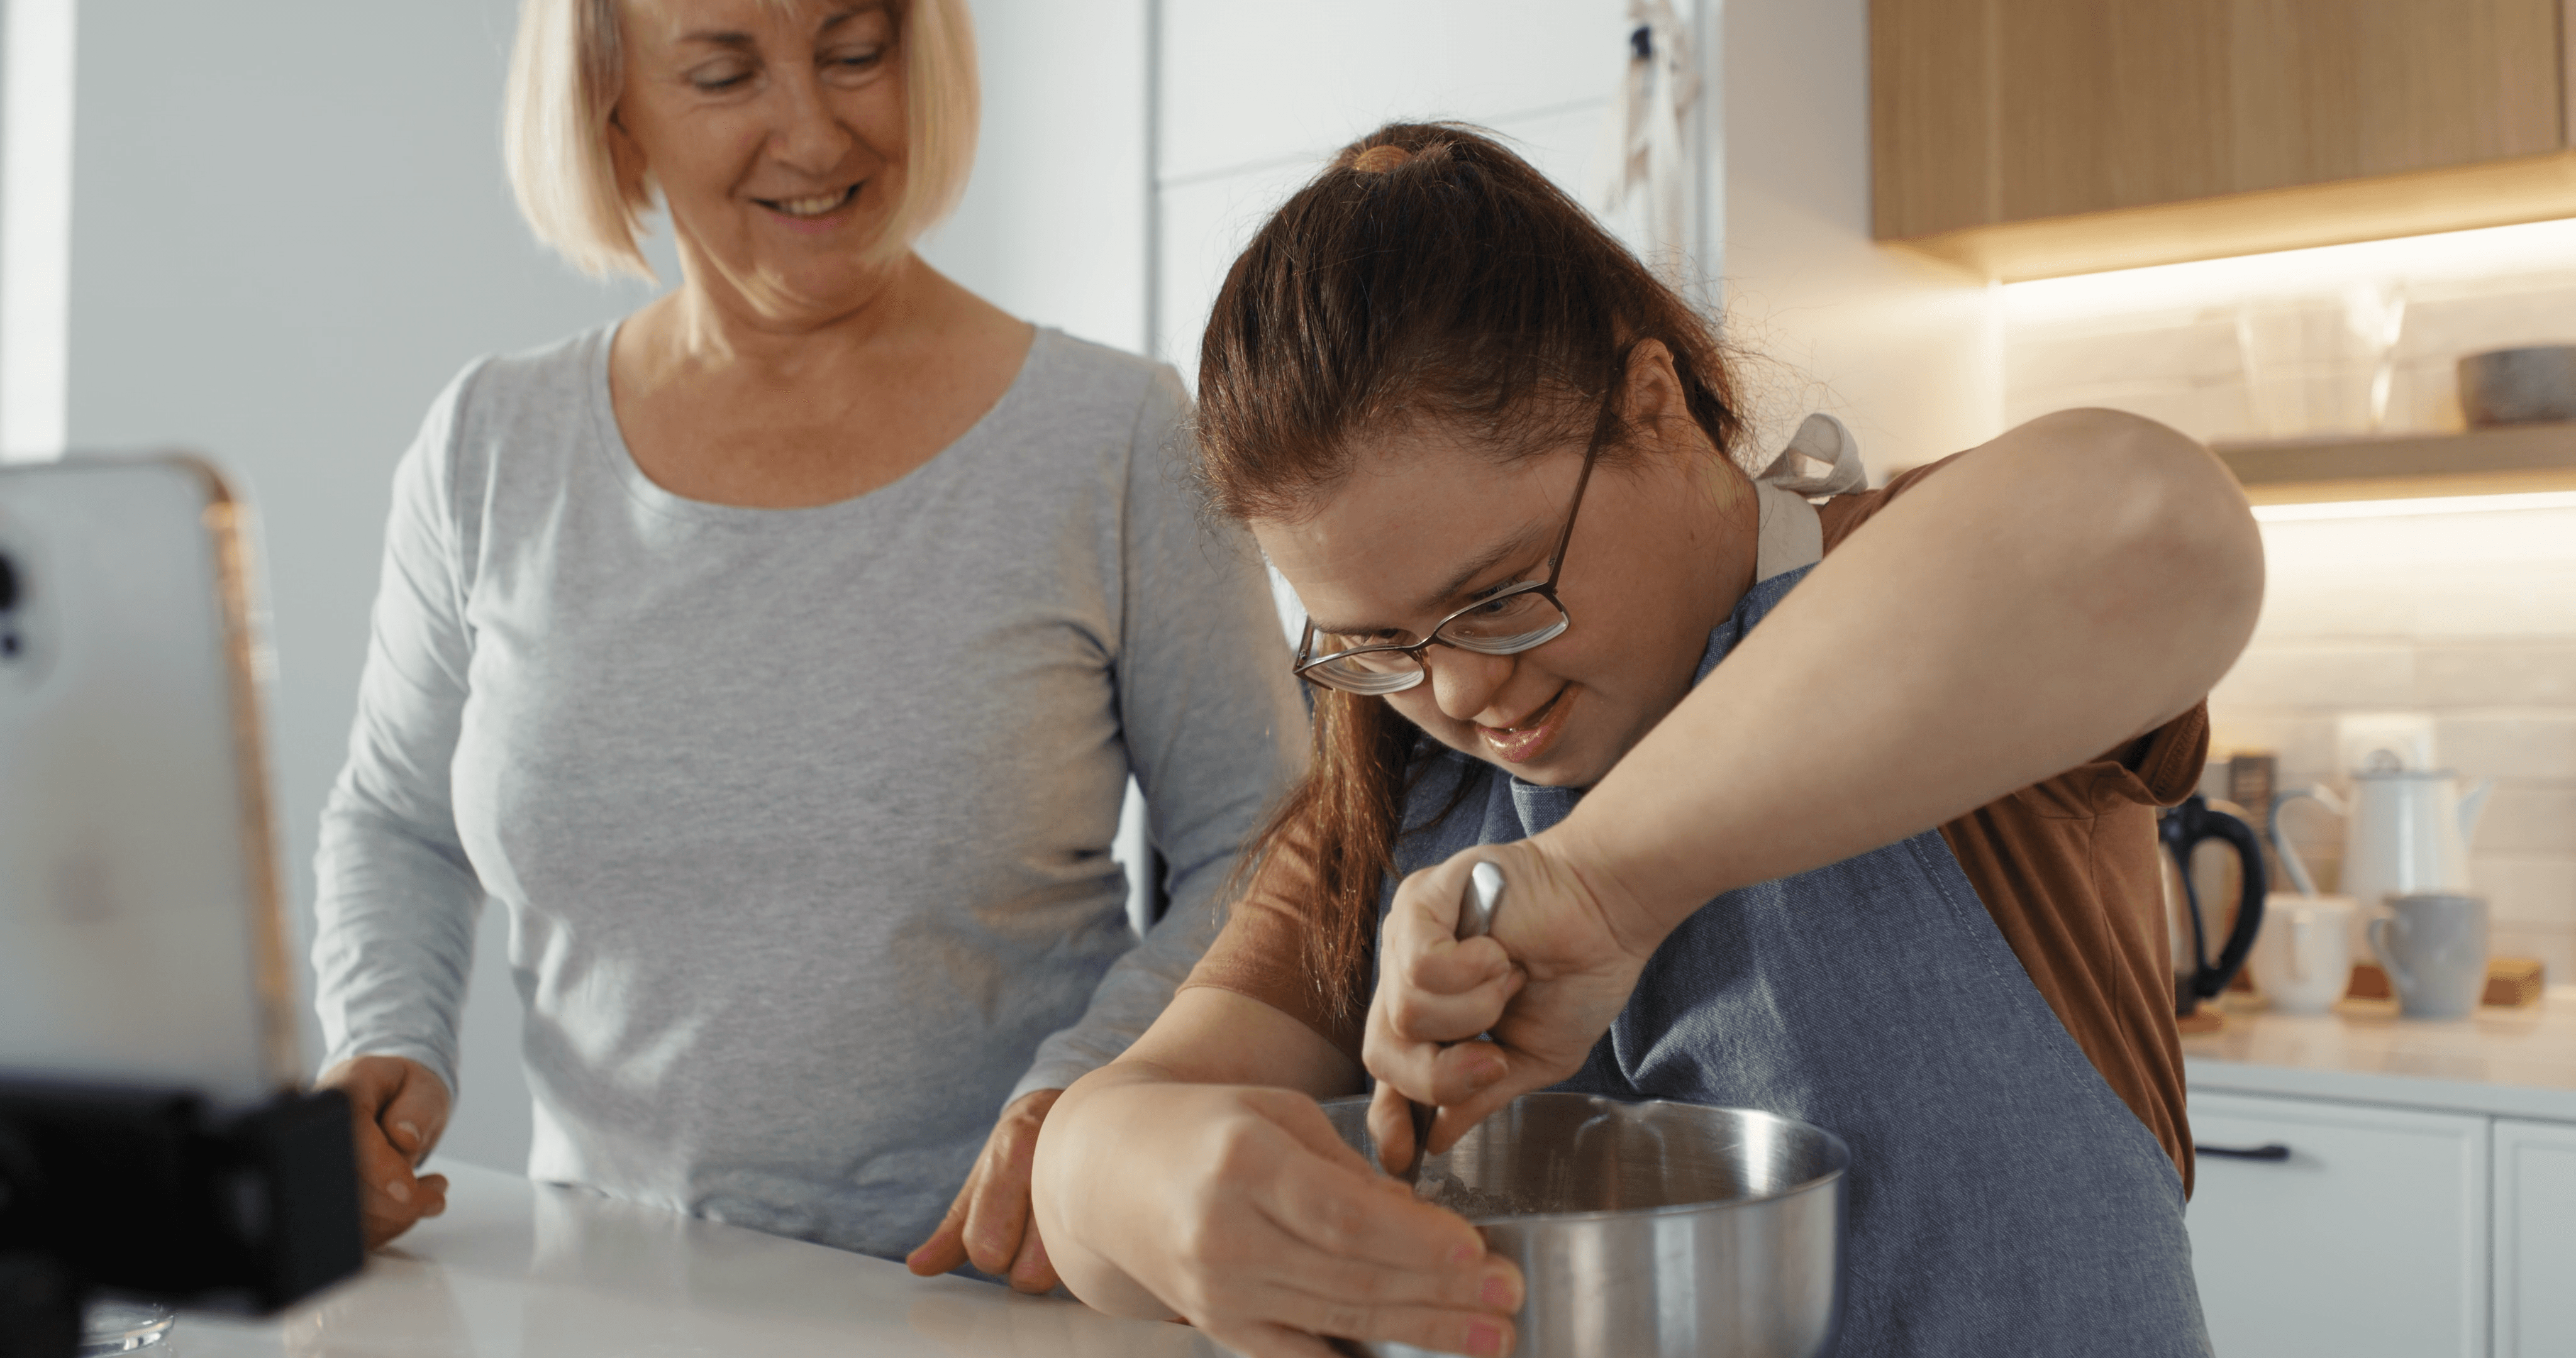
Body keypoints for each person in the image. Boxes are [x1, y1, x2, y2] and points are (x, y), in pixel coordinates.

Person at [1029, 123, 2263, 1358]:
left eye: (1501, 594)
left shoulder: (1935, 599)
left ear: (1654, 404)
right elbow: (1098, 1149)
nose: (1456, 694)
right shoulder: (1401, 796)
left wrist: (1598, 886)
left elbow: (2161, 521)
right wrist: (1140, 1185)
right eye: (1379, 646)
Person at [308, 0, 1301, 1284]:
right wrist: (383, 1035)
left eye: (854, 53)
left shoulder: (1113, 437)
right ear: (612, 106)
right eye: (724, 73)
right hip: (600, 1291)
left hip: (991, 1287)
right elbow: (396, 817)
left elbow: (1272, 846)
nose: (813, 130)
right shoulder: (491, 445)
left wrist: (1092, 1095)